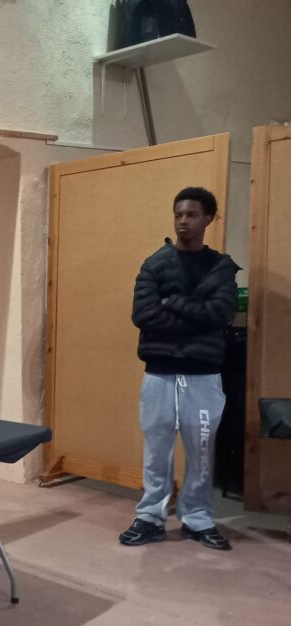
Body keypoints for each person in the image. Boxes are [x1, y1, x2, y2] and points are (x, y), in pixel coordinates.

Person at [120, 186, 239, 550]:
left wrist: (173, 303)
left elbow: (220, 314)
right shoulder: (154, 264)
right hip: (159, 372)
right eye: (178, 214)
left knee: (201, 450)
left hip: (203, 374)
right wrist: (193, 316)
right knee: (157, 449)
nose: (183, 221)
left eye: (191, 215)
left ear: (208, 218)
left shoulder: (221, 268)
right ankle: (150, 517)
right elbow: (144, 315)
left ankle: (198, 518)